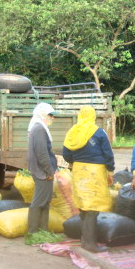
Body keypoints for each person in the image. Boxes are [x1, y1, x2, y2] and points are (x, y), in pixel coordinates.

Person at [62, 106, 115, 253]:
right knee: (92, 208)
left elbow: (66, 153)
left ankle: (85, 241)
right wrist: (110, 170)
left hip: (79, 170)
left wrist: (74, 160)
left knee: (84, 207)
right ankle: (91, 244)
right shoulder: (98, 132)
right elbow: (107, 153)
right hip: (95, 172)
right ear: (92, 116)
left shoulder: (73, 132)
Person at [26, 102, 58, 237]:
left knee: (45, 202)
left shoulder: (39, 127)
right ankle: (33, 231)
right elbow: (42, 153)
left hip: (43, 171)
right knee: (39, 202)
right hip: (42, 172)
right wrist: (49, 171)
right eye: (51, 115)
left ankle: (43, 230)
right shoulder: (39, 128)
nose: (52, 118)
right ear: (43, 115)